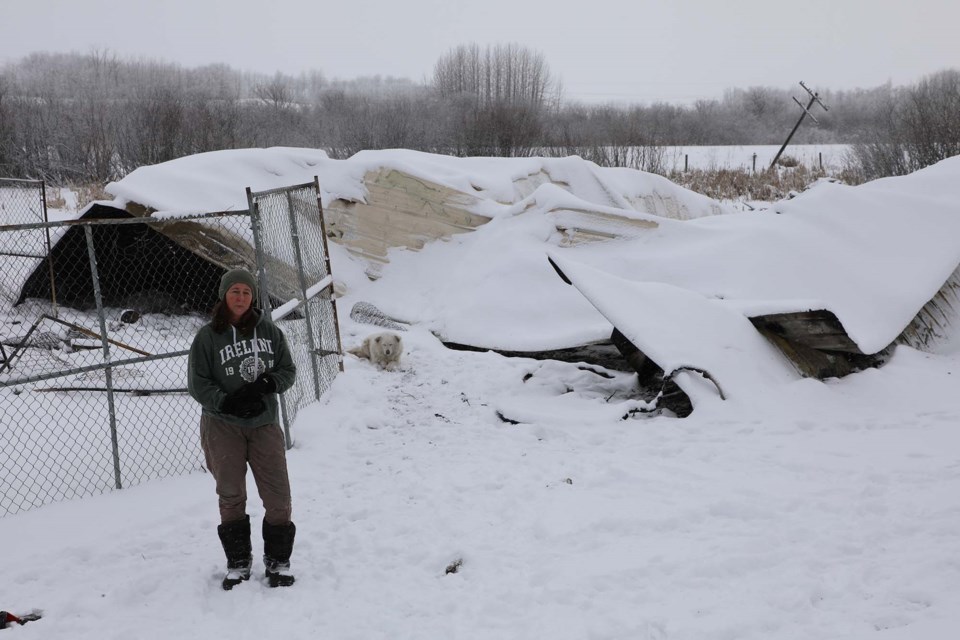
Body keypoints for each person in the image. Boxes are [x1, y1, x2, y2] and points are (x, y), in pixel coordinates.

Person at [188, 268, 298, 590]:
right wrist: (226, 402)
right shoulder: (208, 337)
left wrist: (268, 382)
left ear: (253, 297)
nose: (240, 297)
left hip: (263, 424)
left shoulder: (270, 332)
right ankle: (238, 561)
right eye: (234, 291)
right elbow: (198, 383)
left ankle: (278, 561)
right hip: (223, 426)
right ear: (224, 295)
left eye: (246, 292)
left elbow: (287, 370)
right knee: (231, 494)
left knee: (278, 495)